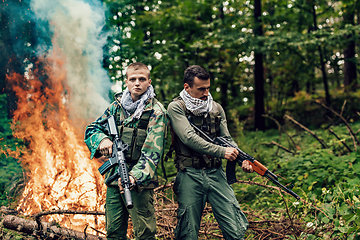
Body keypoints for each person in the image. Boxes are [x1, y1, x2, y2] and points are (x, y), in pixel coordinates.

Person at [167, 65, 253, 240]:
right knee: (187, 233)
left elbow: (227, 138)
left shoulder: (216, 108)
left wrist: (241, 158)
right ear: (187, 87)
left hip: (216, 173)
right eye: (201, 89)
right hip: (189, 174)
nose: (206, 93)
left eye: (208, 88)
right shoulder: (176, 107)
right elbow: (188, 138)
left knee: (236, 230)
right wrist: (222, 152)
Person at [84, 62, 169, 240]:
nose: (137, 83)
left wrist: (134, 177)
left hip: (139, 181)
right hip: (115, 178)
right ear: (126, 82)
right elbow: (92, 129)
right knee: (114, 232)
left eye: (142, 79)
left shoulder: (156, 111)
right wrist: (103, 140)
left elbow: (152, 153)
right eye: (133, 79)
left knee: (144, 233)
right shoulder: (116, 107)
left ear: (149, 82)